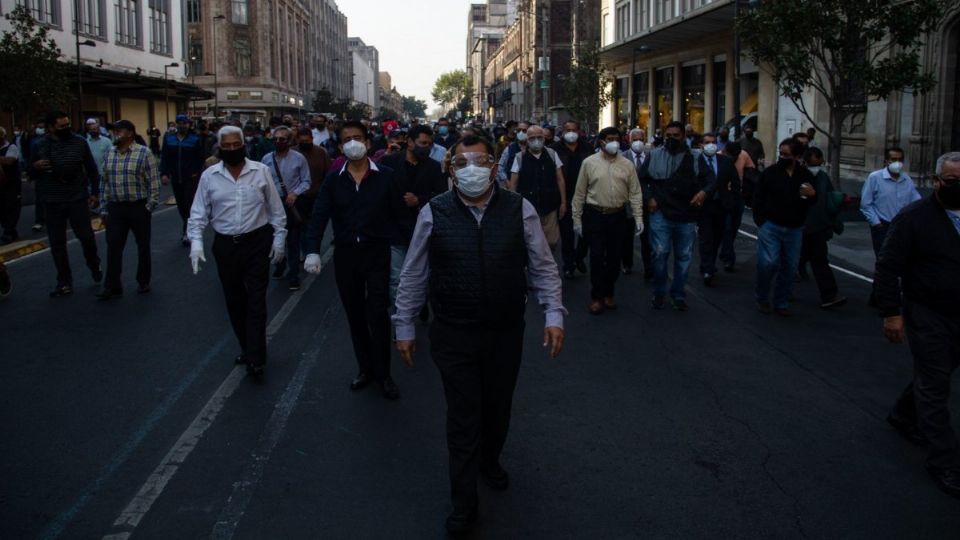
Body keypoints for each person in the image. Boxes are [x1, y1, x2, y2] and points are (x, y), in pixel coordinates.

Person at [392, 134, 566, 534]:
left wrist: (553, 313)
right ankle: (464, 502)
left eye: (481, 161)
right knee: (463, 415)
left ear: (494, 166)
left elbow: (542, 265)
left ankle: (491, 459)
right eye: (463, 162)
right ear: (451, 170)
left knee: (498, 407)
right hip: (453, 332)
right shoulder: (434, 212)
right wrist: (404, 325)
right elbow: (414, 273)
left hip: (505, 330)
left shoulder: (519, 209)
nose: (472, 169)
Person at [877, 151, 960, 499]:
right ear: (937, 181)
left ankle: (902, 412)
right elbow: (888, 266)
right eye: (953, 181)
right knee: (934, 382)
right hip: (927, 312)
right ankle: (944, 462)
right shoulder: (914, 217)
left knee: (935, 372)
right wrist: (891, 312)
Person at [303, 120, 405, 400]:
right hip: (347, 255)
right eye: (347, 139)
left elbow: (399, 215)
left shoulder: (386, 176)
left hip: (377, 253)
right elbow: (319, 216)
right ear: (339, 147)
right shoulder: (334, 181)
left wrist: (405, 250)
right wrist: (312, 249)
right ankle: (365, 369)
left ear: (368, 142)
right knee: (355, 314)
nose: (353, 143)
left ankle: (384, 374)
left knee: (377, 312)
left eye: (357, 137)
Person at [187, 125, 287, 377]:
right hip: (225, 246)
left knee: (256, 301)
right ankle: (247, 347)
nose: (232, 149)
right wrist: (196, 243)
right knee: (234, 301)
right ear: (219, 148)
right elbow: (198, 213)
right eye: (227, 146)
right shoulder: (210, 176)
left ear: (244, 145)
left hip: (257, 242)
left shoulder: (261, 172)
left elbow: (276, 210)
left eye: (236, 145)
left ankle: (256, 358)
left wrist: (279, 240)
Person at [639, 121, 715, 311]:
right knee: (659, 254)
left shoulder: (695, 157)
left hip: (686, 215)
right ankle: (658, 292)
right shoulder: (654, 155)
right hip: (660, 214)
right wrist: (649, 198)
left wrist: (703, 193)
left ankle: (678, 294)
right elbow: (641, 179)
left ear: (683, 136)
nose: (671, 138)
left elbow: (710, 180)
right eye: (668, 135)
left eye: (676, 135)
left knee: (683, 257)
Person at [572, 127, 645, 314]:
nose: (614, 142)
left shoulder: (627, 164)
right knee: (596, 257)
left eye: (617, 139)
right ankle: (597, 297)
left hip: (618, 215)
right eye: (610, 139)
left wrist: (638, 217)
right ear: (601, 141)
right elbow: (580, 193)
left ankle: (608, 293)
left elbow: (635, 192)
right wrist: (577, 220)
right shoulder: (589, 163)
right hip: (594, 215)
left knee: (614, 258)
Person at [30, 111, 103, 297]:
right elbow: (29, 172)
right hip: (52, 200)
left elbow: (92, 169)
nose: (66, 129)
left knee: (86, 237)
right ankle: (64, 281)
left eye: (67, 125)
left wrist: (95, 192)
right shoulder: (39, 145)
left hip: (77, 197)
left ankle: (94, 264)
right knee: (57, 243)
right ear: (50, 127)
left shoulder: (79, 142)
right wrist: (35, 167)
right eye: (61, 126)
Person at [95, 120, 160, 299]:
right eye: (114, 131)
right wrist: (103, 207)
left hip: (138, 206)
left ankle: (143, 281)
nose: (116, 134)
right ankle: (112, 285)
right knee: (113, 246)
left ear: (130, 133)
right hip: (115, 208)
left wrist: (149, 205)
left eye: (120, 131)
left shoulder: (143, 153)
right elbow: (104, 182)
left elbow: (153, 182)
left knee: (143, 246)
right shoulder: (110, 153)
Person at [379, 124, 444, 304]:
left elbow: (440, 195)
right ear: (409, 142)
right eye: (422, 143)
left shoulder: (433, 167)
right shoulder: (389, 163)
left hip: (422, 231)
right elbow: (380, 194)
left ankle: (419, 304)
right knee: (397, 278)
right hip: (395, 230)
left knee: (423, 275)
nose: (426, 148)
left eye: (429, 144)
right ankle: (401, 315)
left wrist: (420, 200)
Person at [752, 138, 817, 315]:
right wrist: (761, 221)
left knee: (790, 266)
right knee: (768, 263)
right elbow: (758, 197)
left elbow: (813, 199)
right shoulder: (771, 173)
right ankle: (762, 297)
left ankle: (781, 302)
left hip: (794, 227)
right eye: (781, 153)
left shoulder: (805, 175)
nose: (782, 157)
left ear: (796, 156)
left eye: (787, 154)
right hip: (771, 225)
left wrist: (812, 195)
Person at [262, 126, 312, 291]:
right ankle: (279, 265)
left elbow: (306, 181)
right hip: (273, 204)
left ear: (289, 141)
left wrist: (295, 194)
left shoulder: (299, 159)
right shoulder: (266, 159)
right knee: (276, 237)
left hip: (291, 204)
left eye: (282, 139)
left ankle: (294, 275)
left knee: (293, 240)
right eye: (275, 139)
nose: (278, 142)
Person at [798, 147, 846, 309]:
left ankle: (829, 294)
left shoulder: (823, 177)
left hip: (816, 227)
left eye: (819, 164)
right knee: (790, 261)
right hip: (798, 227)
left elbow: (829, 200)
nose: (816, 167)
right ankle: (781, 293)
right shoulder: (798, 176)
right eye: (813, 164)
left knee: (820, 261)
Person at [507, 125, 566, 250]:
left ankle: (547, 263)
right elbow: (513, 183)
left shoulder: (551, 154)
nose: (536, 141)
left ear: (544, 138)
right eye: (532, 138)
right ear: (527, 140)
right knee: (531, 241)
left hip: (550, 205)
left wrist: (563, 203)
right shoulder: (520, 157)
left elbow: (560, 179)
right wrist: (513, 206)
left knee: (552, 240)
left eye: (539, 137)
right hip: (528, 206)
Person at [860, 147, 921, 257]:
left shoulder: (907, 180)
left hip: (902, 227)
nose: (897, 163)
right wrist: (876, 223)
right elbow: (866, 203)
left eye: (900, 159)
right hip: (883, 226)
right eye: (893, 159)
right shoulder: (875, 178)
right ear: (886, 161)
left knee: (901, 258)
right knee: (883, 259)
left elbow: (916, 201)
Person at [696, 133, 737, 286]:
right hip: (704, 205)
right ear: (701, 145)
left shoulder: (725, 161)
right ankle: (708, 268)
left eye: (713, 142)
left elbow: (735, 182)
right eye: (707, 142)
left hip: (721, 205)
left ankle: (709, 263)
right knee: (706, 237)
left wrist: (732, 200)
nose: (711, 145)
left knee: (718, 237)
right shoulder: (696, 161)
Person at [552, 120, 592, 279]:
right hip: (565, 196)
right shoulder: (555, 150)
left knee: (586, 231)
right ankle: (568, 264)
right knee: (567, 233)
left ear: (579, 131)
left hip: (586, 196)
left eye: (574, 129)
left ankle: (580, 256)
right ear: (562, 131)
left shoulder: (587, 148)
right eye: (567, 129)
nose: (571, 133)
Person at [161, 114, 206, 246]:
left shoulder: (195, 139)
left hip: (190, 178)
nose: (182, 125)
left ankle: (188, 232)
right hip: (176, 177)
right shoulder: (169, 139)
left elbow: (200, 158)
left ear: (189, 124)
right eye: (180, 123)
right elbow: (165, 157)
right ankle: (188, 227)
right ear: (176, 124)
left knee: (189, 205)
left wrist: (196, 173)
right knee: (181, 205)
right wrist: (164, 173)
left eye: (185, 123)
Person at [622, 128, 652, 278]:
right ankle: (627, 264)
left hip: (646, 203)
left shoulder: (650, 156)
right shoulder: (622, 157)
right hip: (627, 203)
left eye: (641, 139)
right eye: (635, 140)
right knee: (626, 237)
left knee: (647, 238)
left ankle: (649, 267)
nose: (638, 142)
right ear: (629, 140)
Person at [718, 141, 750, 272]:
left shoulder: (744, 155)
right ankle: (729, 258)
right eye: (731, 156)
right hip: (723, 197)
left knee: (734, 226)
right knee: (727, 227)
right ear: (725, 153)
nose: (734, 159)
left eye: (736, 156)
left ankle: (725, 250)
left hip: (738, 196)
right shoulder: (718, 157)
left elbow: (750, 171)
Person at [0, 127, 22, 245]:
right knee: (2, 208)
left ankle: (9, 231)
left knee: (11, 207)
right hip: (1, 185)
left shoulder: (12, 147)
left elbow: (9, 161)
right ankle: (11, 231)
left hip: (11, 184)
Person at [496, 121, 529, 186]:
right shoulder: (509, 148)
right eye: (519, 130)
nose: (521, 133)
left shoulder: (533, 148)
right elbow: (500, 167)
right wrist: (507, 181)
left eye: (524, 130)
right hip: (512, 185)